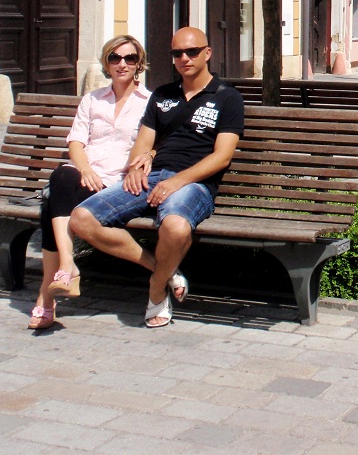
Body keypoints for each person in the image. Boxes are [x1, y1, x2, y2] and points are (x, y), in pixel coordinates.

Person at [69, 27, 244, 328]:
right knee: (81, 218)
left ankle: (154, 291)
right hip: (152, 178)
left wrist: (176, 182)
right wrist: (136, 167)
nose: (184, 58)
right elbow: (144, 142)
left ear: (207, 53)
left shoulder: (228, 98)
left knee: (175, 228)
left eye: (191, 52)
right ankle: (162, 270)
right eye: (177, 53)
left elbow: (222, 156)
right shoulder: (163, 95)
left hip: (193, 184)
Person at [27, 35, 151, 331]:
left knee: (52, 202)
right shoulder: (92, 99)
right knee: (61, 177)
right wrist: (84, 170)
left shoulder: (150, 103)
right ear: (106, 63)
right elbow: (76, 142)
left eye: (129, 58)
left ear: (139, 64)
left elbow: (158, 142)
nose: (122, 64)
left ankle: (48, 291)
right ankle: (67, 266)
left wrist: (150, 154)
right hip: (83, 176)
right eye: (115, 58)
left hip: (115, 184)